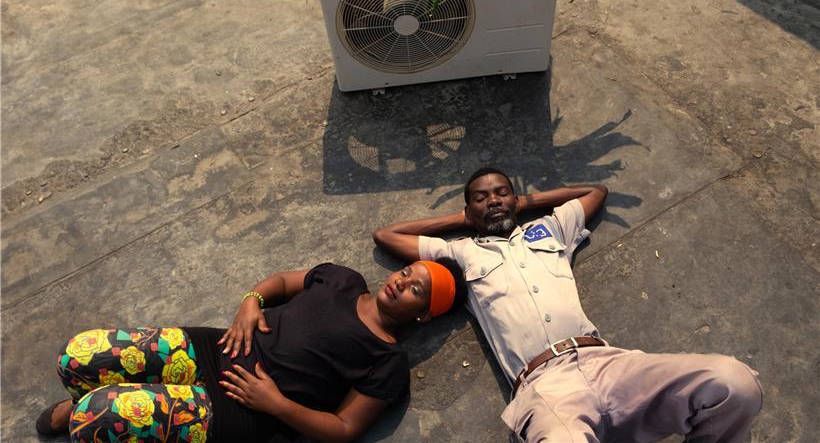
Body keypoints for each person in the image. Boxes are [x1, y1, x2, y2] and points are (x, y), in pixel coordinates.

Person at [372, 167, 763, 442]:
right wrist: (462, 218)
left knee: (734, 383)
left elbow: (595, 192)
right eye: (481, 197)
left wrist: (525, 202)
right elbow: (387, 234)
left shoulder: (550, 229)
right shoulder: (459, 253)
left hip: (608, 364)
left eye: (501, 192)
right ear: (468, 209)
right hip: (546, 387)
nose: (493, 200)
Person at [37, 259, 466, 442]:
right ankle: (84, 400)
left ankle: (87, 410)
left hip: (245, 409)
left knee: (100, 418)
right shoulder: (343, 279)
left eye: (416, 291)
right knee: (78, 355)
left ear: (424, 315)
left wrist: (277, 404)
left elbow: (343, 430)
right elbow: (280, 282)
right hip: (217, 346)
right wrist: (251, 302)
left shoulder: (388, 360)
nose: (402, 282)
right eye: (409, 272)